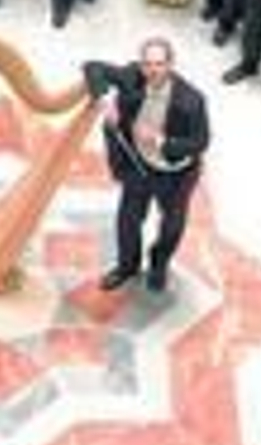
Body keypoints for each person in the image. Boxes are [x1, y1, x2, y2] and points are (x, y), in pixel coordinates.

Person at [84, 37, 211, 294]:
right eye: (148, 64)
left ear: (171, 65)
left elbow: (200, 141)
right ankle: (127, 266)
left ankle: (158, 263)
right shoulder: (132, 76)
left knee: (172, 227)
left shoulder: (191, 100)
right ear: (141, 65)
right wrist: (103, 99)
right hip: (138, 165)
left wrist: (162, 142)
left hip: (175, 174)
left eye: (160, 64)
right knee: (127, 221)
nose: (153, 70)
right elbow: (92, 67)